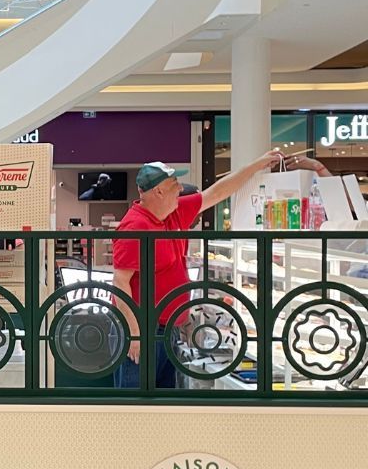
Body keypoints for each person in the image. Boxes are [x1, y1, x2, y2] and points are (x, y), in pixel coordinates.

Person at [112, 152, 282, 389]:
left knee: (162, 401)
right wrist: (134, 334)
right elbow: (120, 283)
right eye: (174, 185)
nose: (180, 189)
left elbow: (218, 192)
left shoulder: (175, 212)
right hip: (142, 328)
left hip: (167, 327)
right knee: (136, 403)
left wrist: (259, 164)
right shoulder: (135, 227)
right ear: (158, 191)